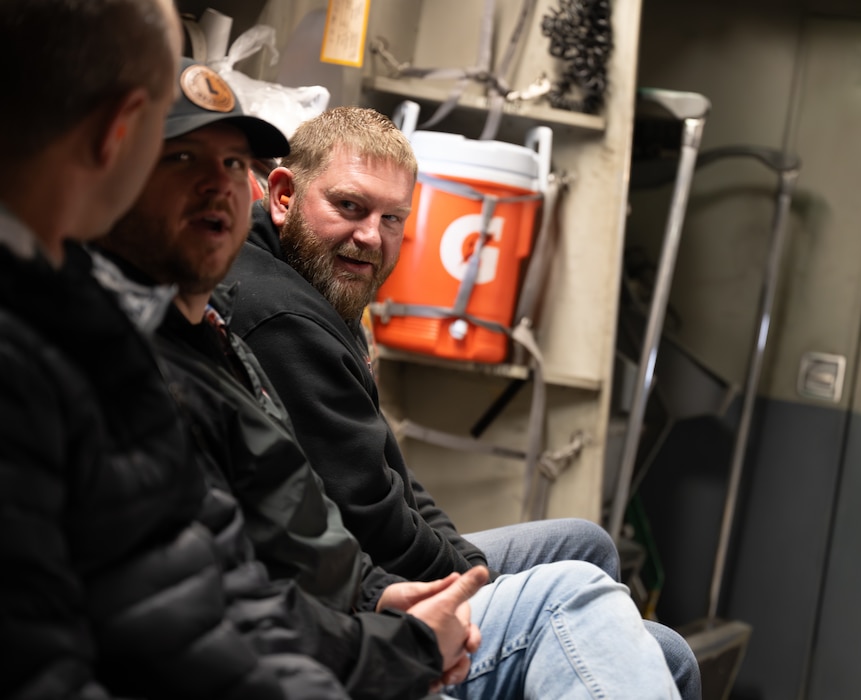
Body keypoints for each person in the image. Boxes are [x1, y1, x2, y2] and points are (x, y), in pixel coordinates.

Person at [98, 61, 685, 699]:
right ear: (285, 195)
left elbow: (373, 484)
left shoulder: (219, 331)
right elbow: (333, 535)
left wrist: (403, 588)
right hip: (340, 639)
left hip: (353, 602)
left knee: (638, 621)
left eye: (233, 166)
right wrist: (405, 632)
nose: (369, 237)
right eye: (182, 162)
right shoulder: (261, 322)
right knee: (576, 597)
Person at [0, 5, 348, 699]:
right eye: (176, 145)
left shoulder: (81, 318)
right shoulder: (42, 352)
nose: (223, 186)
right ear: (121, 130)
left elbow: (207, 584)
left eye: (235, 163)